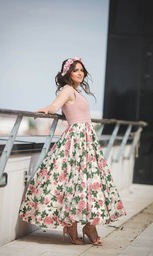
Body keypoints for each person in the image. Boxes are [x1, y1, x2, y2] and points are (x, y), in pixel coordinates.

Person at [19, 57, 126, 245]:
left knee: (85, 184)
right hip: (76, 140)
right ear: (68, 73)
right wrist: (47, 109)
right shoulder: (68, 90)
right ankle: (75, 225)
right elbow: (55, 105)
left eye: (82, 70)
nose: (80, 73)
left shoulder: (77, 91)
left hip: (87, 140)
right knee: (75, 182)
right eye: (76, 70)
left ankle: (87, 225)